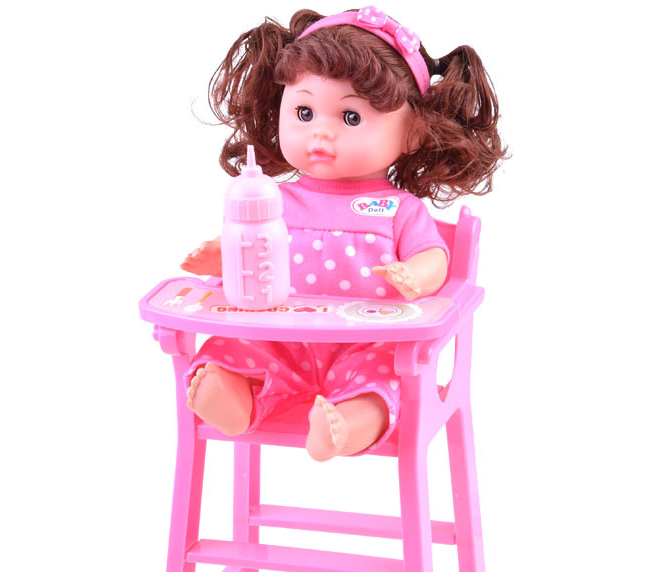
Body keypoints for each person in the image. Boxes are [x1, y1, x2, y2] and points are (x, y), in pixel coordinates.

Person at [179, 7, 505, 461]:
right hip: (279, 339)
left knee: (383, 381)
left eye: (350, 118)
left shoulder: (399, 210)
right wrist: (223, 258)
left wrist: (416, 275)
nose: (321, 134)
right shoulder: (272, 199)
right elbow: (250, 254)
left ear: (413, 131)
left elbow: (435, 256)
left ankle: (346, 427)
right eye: (304, 111)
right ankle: (232, 399)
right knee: (231, 347)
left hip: (367, 344)